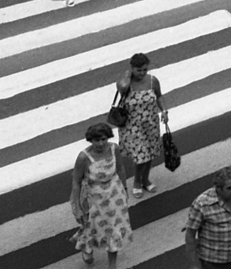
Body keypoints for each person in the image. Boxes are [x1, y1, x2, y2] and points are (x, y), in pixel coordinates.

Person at [71, 122, 132, 268]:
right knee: (90, 227)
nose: (100, 143)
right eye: (96, 140)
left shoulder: (114, 149)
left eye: (103, 139)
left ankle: (112, 265)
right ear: (90, 140)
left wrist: (124, 189)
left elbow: (120, 168)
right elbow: (76, 182)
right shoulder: (83, 157)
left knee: (113, 229)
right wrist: (78, 207)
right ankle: (86, 246)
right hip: (93, 198)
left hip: (114, 195)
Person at [116, 53, 168, 196]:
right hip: (132, 127)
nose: (142, 73)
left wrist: (164, 110)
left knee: (149, 154)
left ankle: (145, 179)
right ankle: (137, 181)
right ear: (131, 68)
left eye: (145, 69)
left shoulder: (152, 81)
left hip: (150, 124)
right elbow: (122, 87)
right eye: (139, 70)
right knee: (141, 156)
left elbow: (159, 96)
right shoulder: (126, 83)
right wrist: (128, 75)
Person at [185, 166, 231, 269]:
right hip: (214, 263)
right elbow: (190, 235)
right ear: (218, 187)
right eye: (230, 188)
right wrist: (193, 265)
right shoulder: (202, 203)